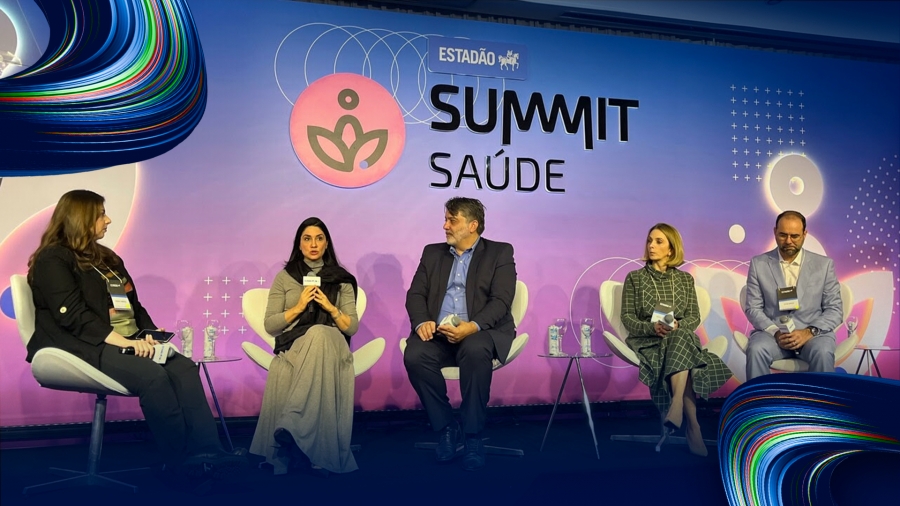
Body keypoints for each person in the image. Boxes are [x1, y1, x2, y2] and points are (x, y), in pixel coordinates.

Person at [25, 190, 245, 489]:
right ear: (80, 218)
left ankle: (208, 452)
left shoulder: (106, 258)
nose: (108, 220)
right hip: (80, 345)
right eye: (100, 214)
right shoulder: (53, 258)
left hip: (125, 339)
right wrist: (124, 342)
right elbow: (72, 316)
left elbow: (133, 307)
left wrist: (151, 336)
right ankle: (178, 462)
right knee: (153, 377)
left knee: (183, 367)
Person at [403, 197, 517, 471]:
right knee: (415, 355)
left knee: (475, 349)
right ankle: (446, 427)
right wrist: (422, 322)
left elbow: (501, 300)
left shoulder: (499, 252)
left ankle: (473, 435)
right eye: (446, 219)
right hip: (440, 333)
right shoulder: (432, 253)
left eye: (452, 221)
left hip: (480, 331)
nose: (445, 226)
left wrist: (472, 326)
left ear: (472, 225)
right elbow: (415, 294)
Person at [249, 217, 359, 476]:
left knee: (319, 332)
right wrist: (299, 306)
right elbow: (270, 325)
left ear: (327, 243)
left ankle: (291, 424)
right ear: (299, 244)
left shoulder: (341, 279)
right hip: (296, 344)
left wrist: (330, 307)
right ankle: (302, 448)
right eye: (307, 239)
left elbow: (351, 327)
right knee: (296, 354)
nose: (313, 244)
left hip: (332, 343)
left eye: (319, 239)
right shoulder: (285, 277)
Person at [621, 223, 732, 456]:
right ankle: (693, 424)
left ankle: (677, 405)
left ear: (671, 249)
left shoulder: (684, 280)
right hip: (649, 341)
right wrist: (652, 327)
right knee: (684, 352)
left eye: (658, 241)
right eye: (650, 240)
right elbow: (627, 318)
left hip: (679, 338)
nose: (651, 246)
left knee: (680, 337)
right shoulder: (635, 278)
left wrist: (679, 326)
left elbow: (694, 316)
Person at [744, 210, 842, 380]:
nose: (788, 241)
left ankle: (818, 399)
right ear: (774, 232)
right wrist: (775, 332)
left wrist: (809, 332)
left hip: (813, 335)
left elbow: (835, 310)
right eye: (783, 235)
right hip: (772, 335)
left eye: (794, 236)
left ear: (805, 234)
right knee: (756, 349)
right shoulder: (758, 264)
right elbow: (753, 308)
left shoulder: (824, 265)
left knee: (823, 351)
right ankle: (761, 398)